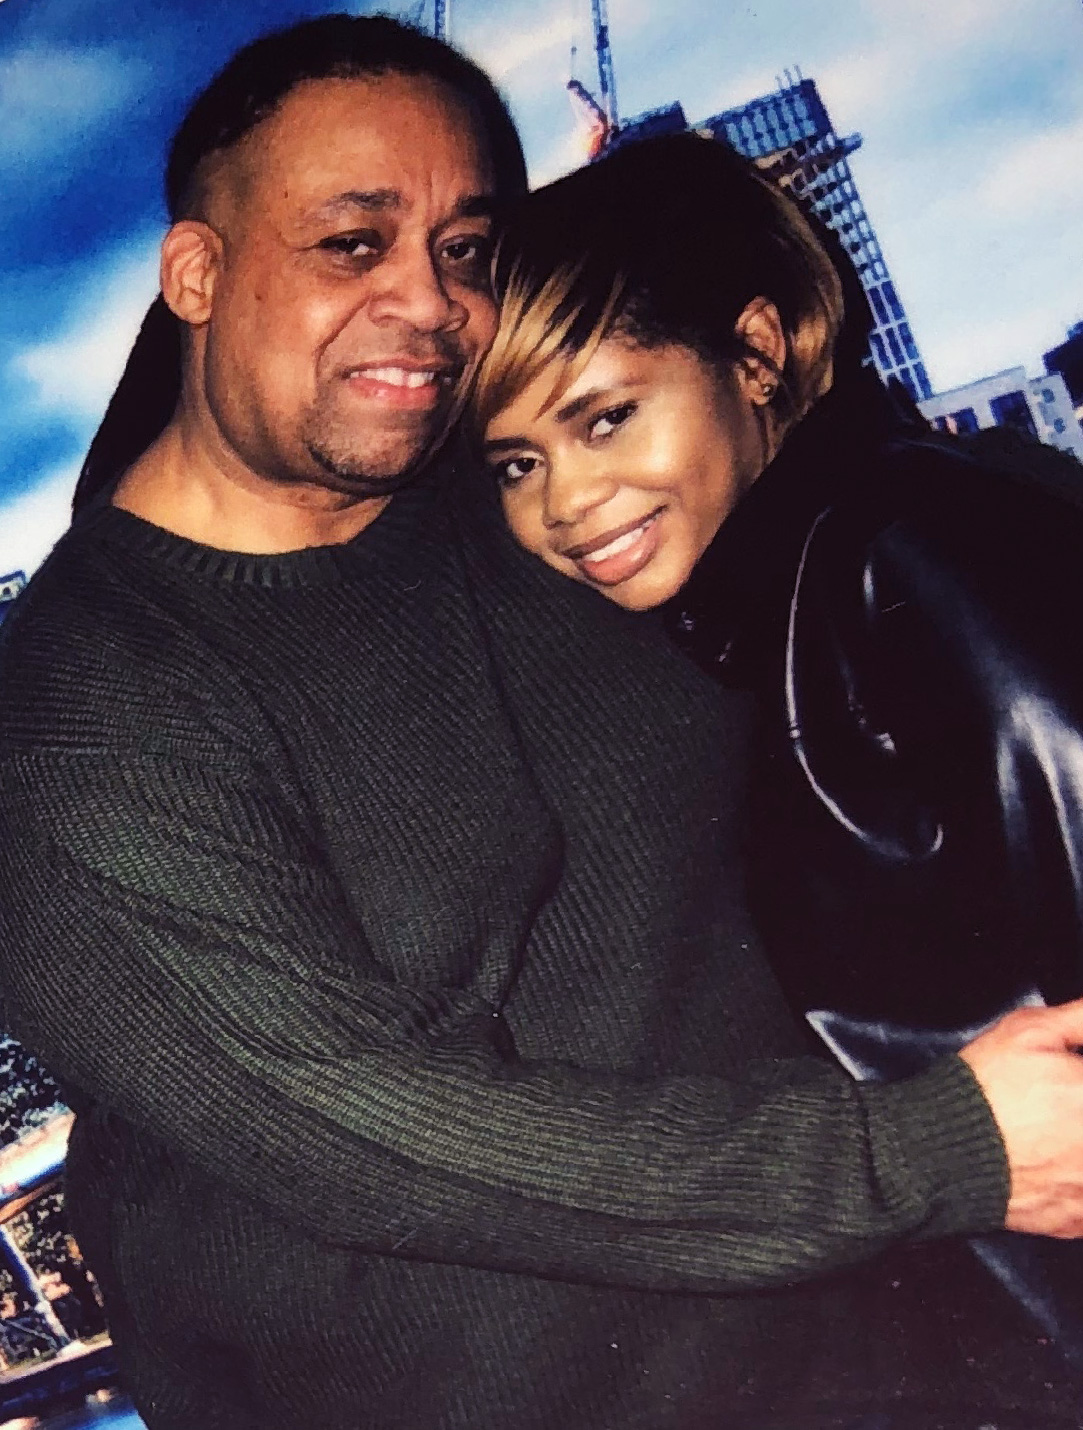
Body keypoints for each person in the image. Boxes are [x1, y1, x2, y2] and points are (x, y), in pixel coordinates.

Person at [3, 18, 1083, 1430]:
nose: (429, 303)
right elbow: (370, 1133)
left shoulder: (518, 488)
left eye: (465, 248)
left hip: (893, 1347)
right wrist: (935, 1151)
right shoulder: (86, 713)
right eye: (350, 243)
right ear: (194, 274)